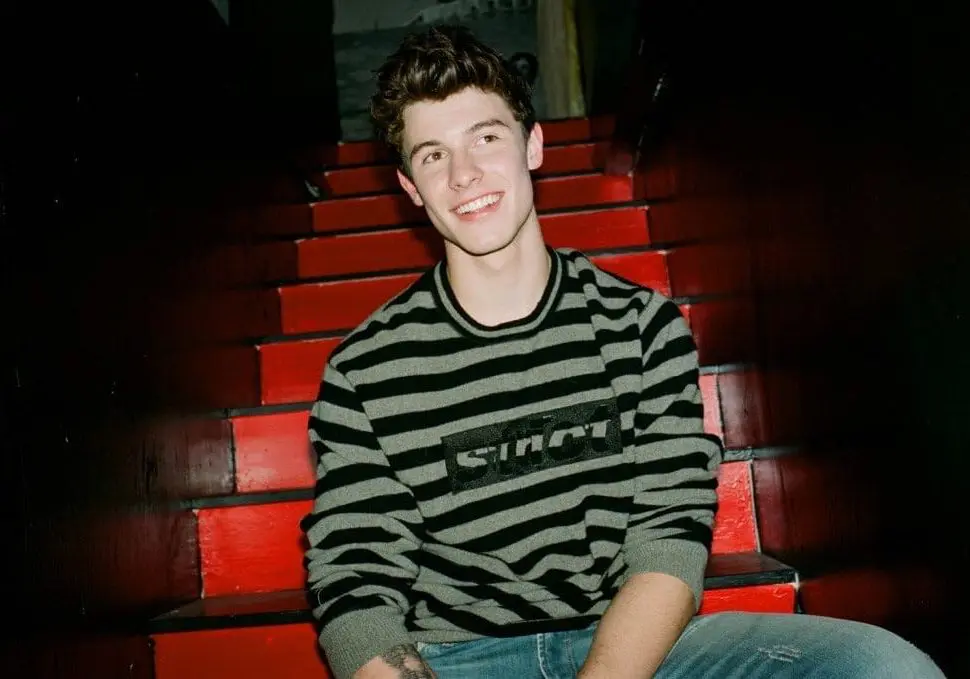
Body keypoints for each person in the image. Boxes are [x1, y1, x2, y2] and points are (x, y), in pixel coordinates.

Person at [300, 25, 947, 679]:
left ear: (533, 145)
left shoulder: (641, 326)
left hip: (637, 641)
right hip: (459, 658)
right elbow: (354, 585)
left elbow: (668, 541)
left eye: (486, 138)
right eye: (433, 155)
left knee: (883, 666)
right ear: (410, 185)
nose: (463, 174)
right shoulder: (364, 370)